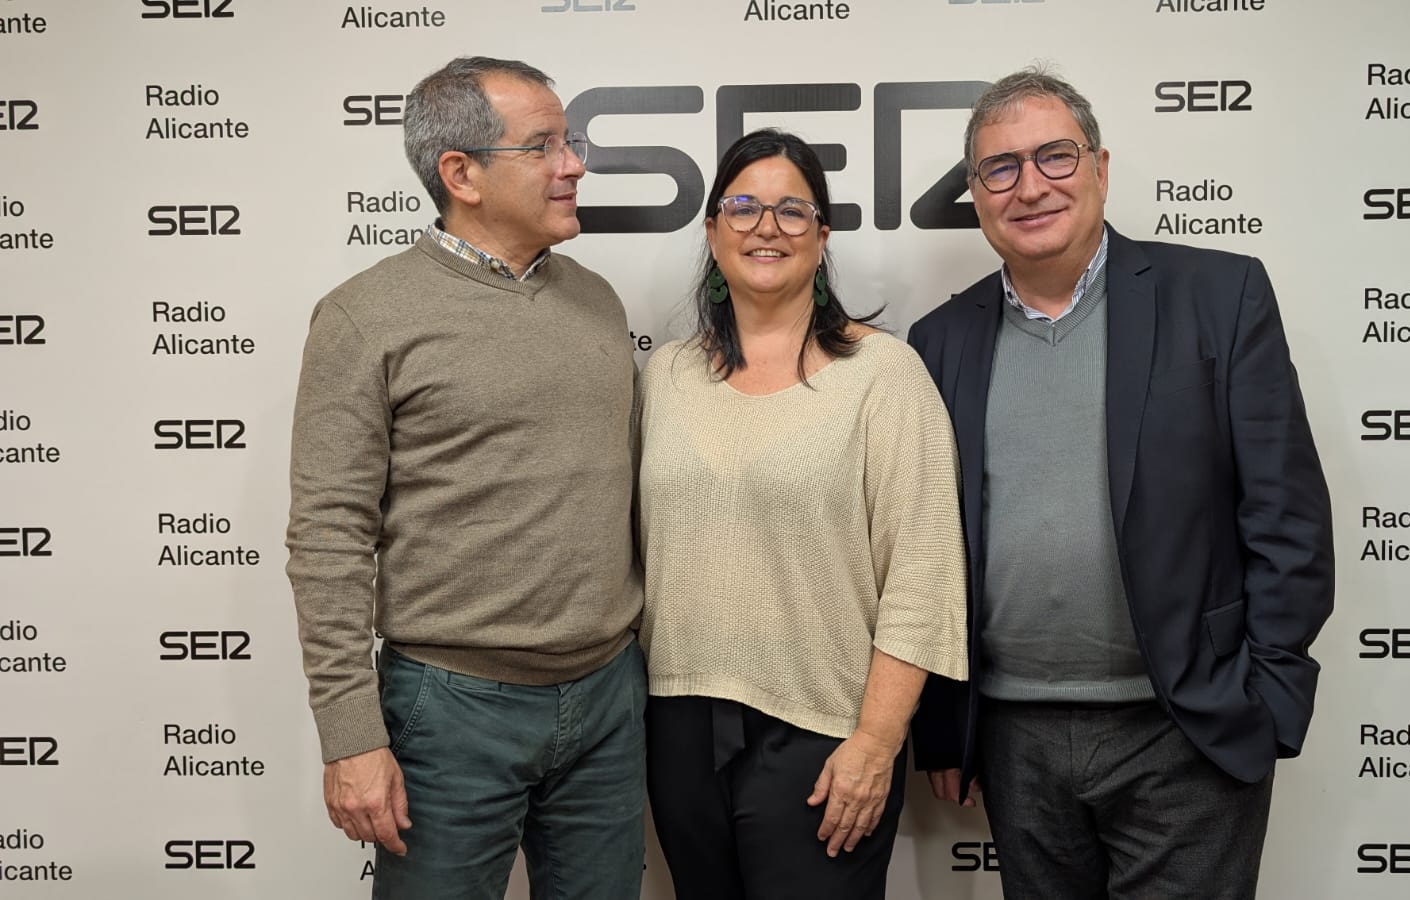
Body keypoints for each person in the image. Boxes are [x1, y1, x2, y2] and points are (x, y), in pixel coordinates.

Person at [908, 66, 1335, 899]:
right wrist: (944, 730)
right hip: (1014, 737)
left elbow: (1287, 515)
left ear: (1100, 169)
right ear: (976, 193)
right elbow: (926, 546)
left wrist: (1267, 695)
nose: (1030, 187)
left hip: (1185, 729)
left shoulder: (1218, 296)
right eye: (1001, 168)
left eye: (1054, 157)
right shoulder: (939, 340)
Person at [284, 56, 645, 900]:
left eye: (572, 142)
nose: (574, 166)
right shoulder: (365, 316)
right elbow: (328, 537)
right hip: (449, 712)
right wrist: (350, 738)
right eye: (545, 147)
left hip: (609, 701)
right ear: (461, 173)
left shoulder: (596, 300)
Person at [637, 128, 968, 900]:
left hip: (824, 736)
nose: (766, 227)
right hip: (678, 727)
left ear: (822, 237)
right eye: (744, 206)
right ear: (712, 230)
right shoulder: (668, 377)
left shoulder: (883, 375)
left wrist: (877, 744)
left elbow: (924, 575)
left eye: (792, 211)